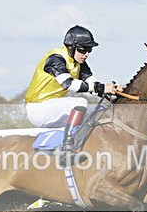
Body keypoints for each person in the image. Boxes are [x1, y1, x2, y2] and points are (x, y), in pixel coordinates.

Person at [24, 25, 123, 162]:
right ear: (71, 47)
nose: (86, 54)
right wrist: (102, 88)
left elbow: (93, 85)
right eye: (83, 49)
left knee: (101, 111)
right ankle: (67, 150)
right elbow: (69, 84)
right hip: (38, 109)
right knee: (80, 102)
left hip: (54, 108)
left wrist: (114, 92)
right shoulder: (55, 59)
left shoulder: (80, 63)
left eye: (89, 50)